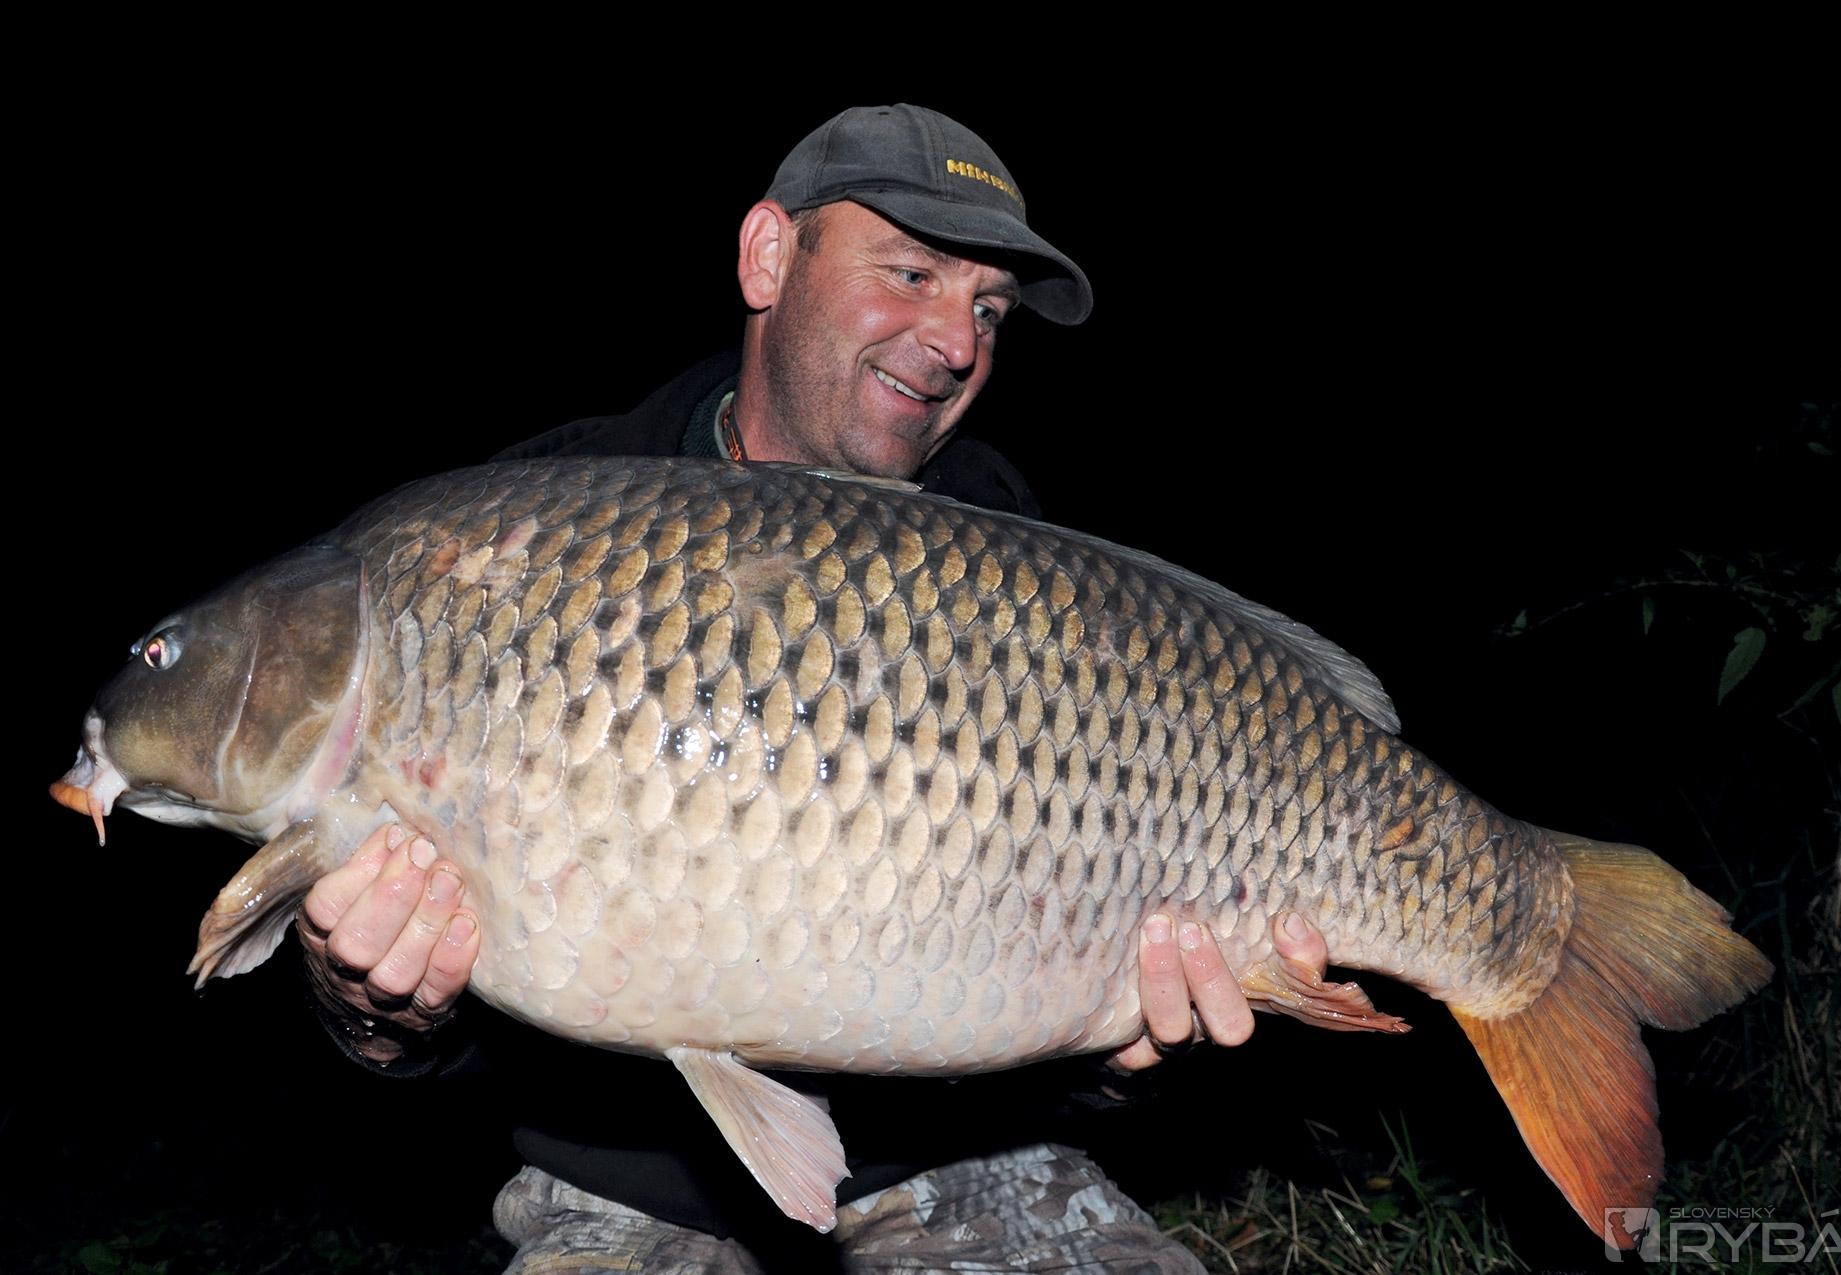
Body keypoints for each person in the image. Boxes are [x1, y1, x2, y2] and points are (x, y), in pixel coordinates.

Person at [299, 104, 1333, 1273]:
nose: (957, 342)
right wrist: (375, 1007)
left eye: (990, 309)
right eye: (913, 273)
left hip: (961, 1153)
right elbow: (457, 1049)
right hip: (621, 1174)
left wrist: (1126, 1055)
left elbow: (1036, 1002)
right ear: (768, 257)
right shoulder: (521, 538)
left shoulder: (1011, 560)